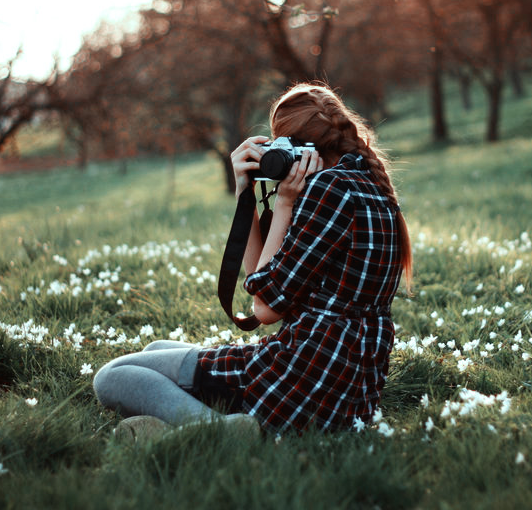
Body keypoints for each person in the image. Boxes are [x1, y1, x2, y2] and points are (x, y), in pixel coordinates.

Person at [93, 83, 412, 439]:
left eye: (280, 146)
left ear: (301, 148)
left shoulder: (328, 189)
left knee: (112, 376)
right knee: (156, 350)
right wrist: (246, 195)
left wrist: (285, 204)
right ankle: (204, 420)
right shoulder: (367, 182)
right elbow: (263, 279)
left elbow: (264, 308)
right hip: (347, 394)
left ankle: (217, 432)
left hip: (299, 380)